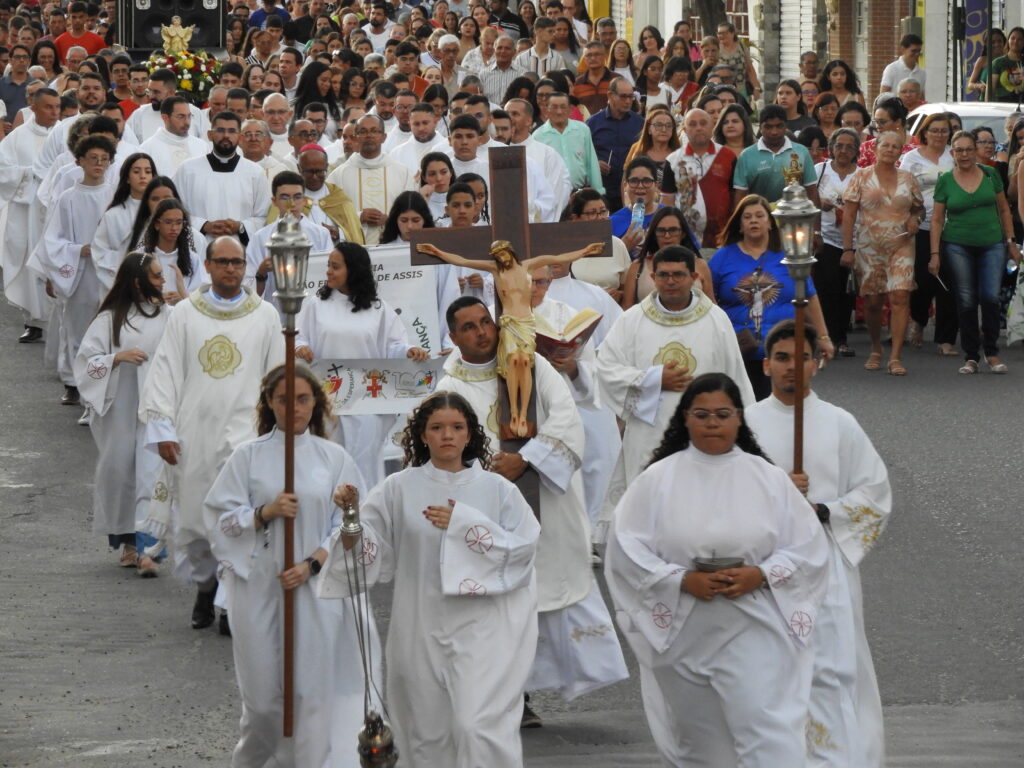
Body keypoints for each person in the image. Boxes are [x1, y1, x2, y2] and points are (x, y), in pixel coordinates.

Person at [604, 371, 828, 767]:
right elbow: (626, 550)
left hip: (755, 625)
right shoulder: (656, 479)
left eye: (723, 414)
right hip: (685, 629)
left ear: (739, 418)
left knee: (767, 730)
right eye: (702, 414)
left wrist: (760, 575)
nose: (712, 423)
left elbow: (808, 547)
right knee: (701, 744)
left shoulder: (769, 478)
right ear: (685, 418)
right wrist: (681, 580)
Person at [318, 391, 539, 765]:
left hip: (482, 629)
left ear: (470, 434)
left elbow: (522, 550)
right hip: (420, 625)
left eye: (457, 427)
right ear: (422, 435)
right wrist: (351, 517)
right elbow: (367, 550)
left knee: (475, 727)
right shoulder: (398, 488)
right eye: (437, 428)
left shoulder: (498, 490)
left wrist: (463, 524)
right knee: (425, 733)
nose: (447, 435)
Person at [436, 296, 628, 723]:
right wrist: (490, 472)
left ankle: (561, 678)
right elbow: (443, 445)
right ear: (453, 337)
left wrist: (526, 459)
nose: (481, 332)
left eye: (485, 322)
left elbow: (566, 420)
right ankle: (512, 698)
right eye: (469, 327)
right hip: (488, 509)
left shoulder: (532, 364)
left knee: (553, 589)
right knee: (498, 607)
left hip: (547, 501)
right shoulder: (449, 389)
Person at [205, 362, 375, 766]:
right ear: (269, 402)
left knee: (310, 695)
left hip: (316, 588)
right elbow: (218, 517)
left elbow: (354, 522)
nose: (294, 408)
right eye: (284, 399)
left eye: (302, 399)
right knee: (264, 701)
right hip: (260, 585)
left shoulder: (334, 458)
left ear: (315, 402)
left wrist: (312, 563)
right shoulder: (247, 457)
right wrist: (264, 512)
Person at [745, 320, 891, 768]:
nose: (792, 367)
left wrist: (823, 510)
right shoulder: (744, 425)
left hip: (825, 565)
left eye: (802, 358)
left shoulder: (840, 424)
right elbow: (722, 495)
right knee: (767, 672)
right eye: (782, 358)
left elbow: (875, 493)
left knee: (831, 669)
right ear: (766, 365)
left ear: (817, 363)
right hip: (763, 568)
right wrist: (777, 494)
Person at [139, 236, 284, 631]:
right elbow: (165, 371)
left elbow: (277, 375)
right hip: (195, 433)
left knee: (241, 520)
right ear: (207, 265)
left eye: (237, 262)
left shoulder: (265, 315)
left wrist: (276, 431)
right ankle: (206, 588)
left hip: (247, 434)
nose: (230, 269)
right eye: (222, 262)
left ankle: (230, 603)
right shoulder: (185, 314)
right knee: (196, 519)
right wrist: (163, 428)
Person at [597, 244, 753, 501]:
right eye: (663, 275)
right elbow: (605, 368)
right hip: (649, 433)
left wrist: (745, 435)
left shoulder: (716, 320)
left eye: (678, 274)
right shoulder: (631, 320)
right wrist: (653, 379)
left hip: (706, 431)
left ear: (694, 277)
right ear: (652, 277)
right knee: (651, 504)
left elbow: (736, 378)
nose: (670, 281)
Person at [416, 239, 603, 436]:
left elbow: (591, 376)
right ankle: (516, 414)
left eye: (540, 282)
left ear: (550, 280)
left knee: (524, 361)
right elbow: (463, 261)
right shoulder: (489, 318)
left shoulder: (567, 316)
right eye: (530, 281)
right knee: (515, 362)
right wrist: (437, 251)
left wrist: (571, 368)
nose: (533, 288)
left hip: (553, 404)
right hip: (497, 398)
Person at [295, 241, 427, 485]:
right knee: (328, 464)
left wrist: (409, 351)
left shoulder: (378, 309)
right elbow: (299, 336)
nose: (328, 272)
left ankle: (365, 508)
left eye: (335, 267)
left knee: (364, 466)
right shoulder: (316, 305)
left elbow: (393, 345)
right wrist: (300, 347)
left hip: (366, 402)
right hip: (328, 399)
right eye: (328, 266)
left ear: (353, 270)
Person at [74, 253, 169, 576]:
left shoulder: (168, 315)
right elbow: (86, 363)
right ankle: (128, 542)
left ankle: (148, 548)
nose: (163, 281)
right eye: (156, 276)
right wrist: (116, 358)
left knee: (151, 473)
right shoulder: (109, 319)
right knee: (120, 471)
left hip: (156, 408)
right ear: (138, 283)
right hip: (120, 407)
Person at [711, 194, 834, 397]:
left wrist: (823, 337)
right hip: (738, 350)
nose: (753, 221)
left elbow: (809, 296)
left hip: (783, 349)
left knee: (783, 406)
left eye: (760, 216)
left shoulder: (789, 256)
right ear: (740, 225)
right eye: (747, 217)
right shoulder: (722, 258)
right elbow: (707, 298)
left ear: (770, 223)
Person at [30, 135, 116, 411]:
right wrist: (79, 250)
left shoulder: (115, 197)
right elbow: (53, 238)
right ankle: (73, 383)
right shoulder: (68, 198)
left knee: (105, 330)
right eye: (93, 158)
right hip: (79, 274)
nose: (99, 164)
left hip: (108, 272)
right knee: (76, 328)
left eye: (104, 159)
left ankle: (99, 387)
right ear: (80, 161)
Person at [931, 130, 1021, 374]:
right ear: (952, 153)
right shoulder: (945, 180)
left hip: (992, 243)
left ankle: (991, 353)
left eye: (969, 149)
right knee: (966, 298)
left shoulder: (991, 174)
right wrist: (935, 254)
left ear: (976, 150)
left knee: (990, 297)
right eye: (959, 150)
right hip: (957, 244)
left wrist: (1011, 242)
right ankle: (971, 356)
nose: (964, 155)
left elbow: (1004, 209)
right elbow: (937, 219)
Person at [841, 131, 925, 376]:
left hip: (902, 244)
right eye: (885, 145)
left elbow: (919, 209)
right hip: (870, 247)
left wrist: (915, 220)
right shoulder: (861, 176)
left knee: (900, 296)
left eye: (895, 146)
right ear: (875, 148)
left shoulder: (908, 178)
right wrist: (847, 249)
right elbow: (849, 214)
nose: (890, 149)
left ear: (900, 151)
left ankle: (896, 356)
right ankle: (876, 347)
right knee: (873, 302)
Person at [0, 87, 60, 344]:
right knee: (28, 262)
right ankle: (33, 322)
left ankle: (59, 321)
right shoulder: (17, 137)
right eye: (48, 107)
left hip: (56, 210)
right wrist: (30, 174)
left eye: (57, 107)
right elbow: (3, 170)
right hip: (27, 211)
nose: (54, 112)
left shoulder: (63, 134)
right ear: (33, 108)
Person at [899, 113, 958, 356]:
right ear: (924, 132)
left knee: (949, 282)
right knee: (923, 281)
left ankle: (945, 338)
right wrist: (909, 217)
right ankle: (919, 320)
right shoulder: (911, 158)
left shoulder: (954, 155)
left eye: (944, 130)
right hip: (921, 226)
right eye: (934, 130)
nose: (939, 135)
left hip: (952, 227)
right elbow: (902, 191)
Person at [173, 110, 271, 246]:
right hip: (199, 248)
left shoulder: (255, 172)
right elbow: (175, 211)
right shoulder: (188, 170)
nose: (226, 135)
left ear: (240, 137)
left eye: (232, 131)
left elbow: (263, 216)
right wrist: (203, 225)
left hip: (240, 250)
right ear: (210, 135)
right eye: (220, 130)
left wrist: (240, 227)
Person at [326, 114, 416, 245]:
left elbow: (412, 211)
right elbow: (329, 215)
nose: (369, 135)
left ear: (384, 137)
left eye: (374, 131)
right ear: (356, 137)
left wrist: (390, 220)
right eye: (363, 131)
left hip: (393, 247)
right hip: (354, 249)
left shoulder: (402, 173)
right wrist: (358, 217)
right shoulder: (338, 175)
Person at [813, 128, 860, 357]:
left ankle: (841, 338)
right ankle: (827, 337)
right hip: (826, 237)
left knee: (847, 291)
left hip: (854, 240)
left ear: (856, 151)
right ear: (831, 148)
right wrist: (819, 202)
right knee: (827, 288)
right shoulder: (820, 170)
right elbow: (807, 197)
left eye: (849, 147)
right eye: (839, 145)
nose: (843, 150)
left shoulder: (862, 174)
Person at [661, 107, 737, 250]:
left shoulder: (728, 156)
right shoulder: (673, 160)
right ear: (684, 129)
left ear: (712, 125)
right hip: (686, 240)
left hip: (723, 239)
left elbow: (736, 197)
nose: (698, 128)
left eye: (703, 123)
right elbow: (667, 203)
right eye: (692, 124)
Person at [247, 170, 333, 292]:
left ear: (304, 200)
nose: (291, 204)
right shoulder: (260, 237)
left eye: (297, 197)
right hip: (274, 302)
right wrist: (262, 272)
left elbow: (329, 275)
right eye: (284, 197)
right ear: (274, 201)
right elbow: (249, 289)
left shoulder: (321, 234)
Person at [622, 206, 709, 308]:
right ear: (654, 234)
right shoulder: (638, 266)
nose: (667, 236)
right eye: (661, 231)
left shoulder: (700, 265)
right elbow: (627, 308)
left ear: (683, 233)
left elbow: (711, 306)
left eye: (673, 230)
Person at [733, 104, 819, 207]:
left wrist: (816, 217)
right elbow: (740, 196)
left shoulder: (801, 152)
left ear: (786, 126)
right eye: (768, 127)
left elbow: (812, 191)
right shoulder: (746, 156)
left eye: (779, 126)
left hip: (795, 215)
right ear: (760, 127)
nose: (774, 132)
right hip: (759, 215)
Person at [93, 152, 156, 289]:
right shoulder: (113, 215)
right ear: (127, 177)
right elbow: (99, 252)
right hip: (123, 284)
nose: (143, 176)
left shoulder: (161, 213)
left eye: (148, 171)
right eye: (136, 171)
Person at [587, 76, 643, 212]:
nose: (628, 101)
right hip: (603, 191)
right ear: (610, 95)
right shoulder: (593, 123)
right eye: (623, 97)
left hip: (633, 189)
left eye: (631, 97)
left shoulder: (640, 123)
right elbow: (583, 154)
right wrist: (595, 163)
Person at [533, 91, 604, 193]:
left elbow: (591, 162)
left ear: (570, 109)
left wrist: (598, 191)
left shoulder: (582, 130)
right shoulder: (538, 136)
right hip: (553, 194)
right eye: (554, 107)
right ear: (547, 109)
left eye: (563, 107)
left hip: (580, 192)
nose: (559, 111)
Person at [140, 198, 207, 301]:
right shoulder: (140, 256)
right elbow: (129, 293)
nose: (174, 228)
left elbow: (203, 292)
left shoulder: (192, 258)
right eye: (168, 222)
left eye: (179, 223)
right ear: (157, 224)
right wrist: (155, 298)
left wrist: (184, 296)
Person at [137, 95, 208, 177]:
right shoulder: (147, 149)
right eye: (181, 117)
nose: (187, 122)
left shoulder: (202, 146)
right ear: (165, 117)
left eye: (189, 116)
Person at [715, 21, 761, 100]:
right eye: (719, 33)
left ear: (732, 33)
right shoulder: (716, 49)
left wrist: (756, 88)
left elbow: (750, 69)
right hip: (723, 91)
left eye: (724, 33)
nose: (721, 36)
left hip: (742, 90)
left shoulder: (741, 46)